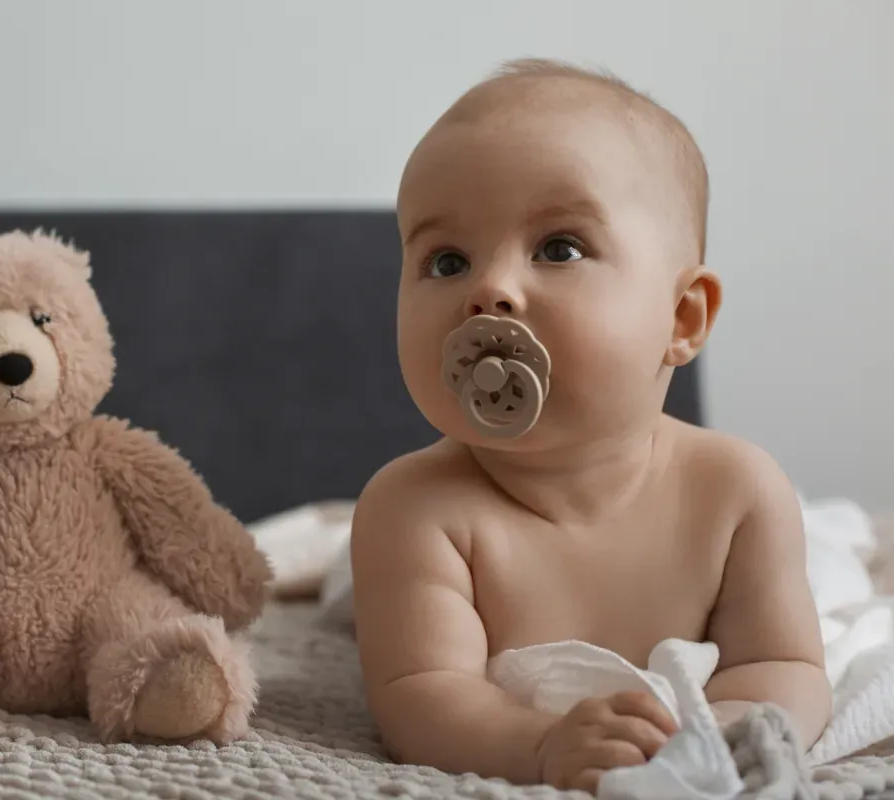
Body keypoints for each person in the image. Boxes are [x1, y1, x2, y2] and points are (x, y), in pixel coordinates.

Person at [349, 58, 830, 794]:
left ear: (681, 318)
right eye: (446, 260)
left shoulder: (736, 491)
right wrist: (537, 745)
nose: (490, 289)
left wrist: (722, 736)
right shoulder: (414, 510)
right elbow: (421, 696)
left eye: (558, 249)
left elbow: (786, 667)